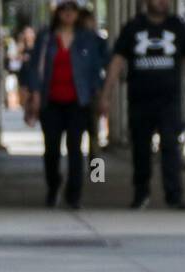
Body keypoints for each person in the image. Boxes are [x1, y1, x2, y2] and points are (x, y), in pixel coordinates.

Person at [101, 0, 185, 209]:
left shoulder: (177, 27)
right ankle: (141, 193)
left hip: (169, 100)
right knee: (140, 148)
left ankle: (174, 195)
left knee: (171, 146)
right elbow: (117, 62)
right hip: (140, 99)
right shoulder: (133, 27)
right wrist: (106, 94)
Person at [25, 1, 108, 208]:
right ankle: (53, 185)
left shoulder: (88, 38)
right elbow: (35, 68)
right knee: (51, 148)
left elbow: (98, 64)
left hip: (78, 101)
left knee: (75, 148)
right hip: (51, 101)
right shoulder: (46, 38)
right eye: (65, 9)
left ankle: (74, 194)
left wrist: (99, 94)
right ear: (58, 12)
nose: (69, 13)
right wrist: (34, 93)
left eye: (73, 9)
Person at [76, 5, 112, 158]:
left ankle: (81, 172)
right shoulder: (96, 40)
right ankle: (97, 174)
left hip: (80, 91)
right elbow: (107, 63)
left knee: (77, 134)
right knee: (95, 134)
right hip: (93, 90)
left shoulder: (75, 39)